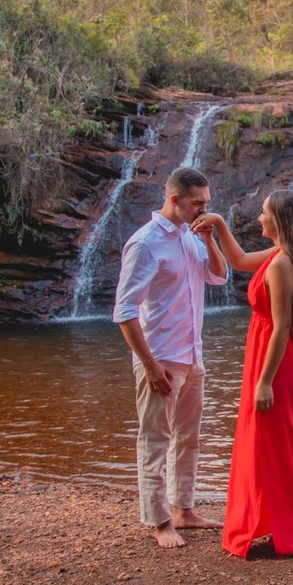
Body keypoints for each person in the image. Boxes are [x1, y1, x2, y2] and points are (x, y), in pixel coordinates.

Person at [192, 189, 293, 558]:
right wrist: (216, 226)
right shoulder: (279, 254)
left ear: (279, 220)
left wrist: (265, 380)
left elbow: (282, 325)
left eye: (264, 213)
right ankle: (285, 519)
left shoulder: (283, 263)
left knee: (283, 444)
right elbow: (236, 260)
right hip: (277, 355)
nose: (259, 218)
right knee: (280, 443)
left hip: (278, 361)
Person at [112, 166, 230, 548]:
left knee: (189, 439)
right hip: (161, 357)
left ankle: (184, 509)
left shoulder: (191, 236)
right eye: (198, 203)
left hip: (193, 354)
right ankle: (160, 521)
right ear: (175, 199)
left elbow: (219, 277)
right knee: (155, 440)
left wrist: (210, 238)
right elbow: (125, 311)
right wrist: (148, 364)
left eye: (207, 203)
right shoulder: (145, 243)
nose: (204, 209)